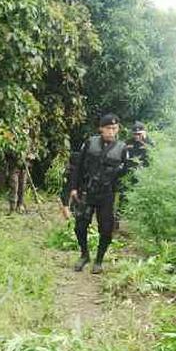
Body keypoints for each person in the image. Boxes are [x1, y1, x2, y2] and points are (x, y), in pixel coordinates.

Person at [70, 113, 129, 274]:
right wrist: (74, 188)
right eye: (108, 128)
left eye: (114, 128)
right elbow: (78, 167)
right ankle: (84, 255)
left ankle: (99, 260)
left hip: (107, 195)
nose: (111, 131)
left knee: (106, 229)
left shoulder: (122, 148)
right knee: (80, 226)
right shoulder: (90, 143)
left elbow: (126, 174)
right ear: (101, 129)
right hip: (88, 192)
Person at [59, 150, 80, 220]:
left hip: (69, 189)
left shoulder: (69, 170)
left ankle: (69, 219)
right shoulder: (78, 170)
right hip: (75, 190)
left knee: (65, 202)